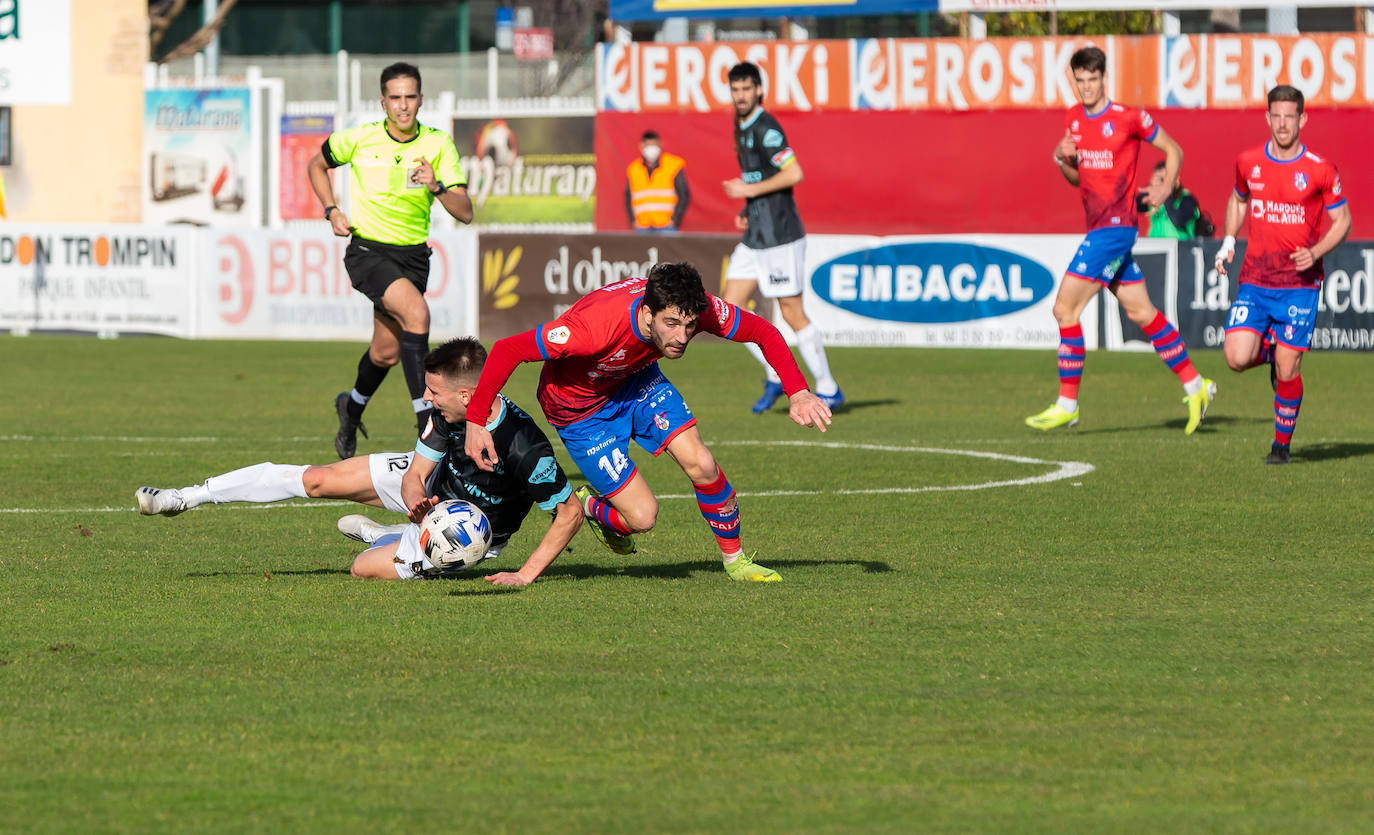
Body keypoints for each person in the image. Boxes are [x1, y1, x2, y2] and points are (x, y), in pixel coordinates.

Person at [462, 261, 834, 583]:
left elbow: (761, 331)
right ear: (646, 312)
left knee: (702, 463)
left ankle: (736, 561)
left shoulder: (690, 307)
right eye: (671, 324)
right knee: (642, 518)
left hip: (637, 382)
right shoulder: (592, 329)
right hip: (581, 413)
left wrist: (798, 391)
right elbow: (508, 349)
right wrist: (476, 421)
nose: (681, 337)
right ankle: (591, 506)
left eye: (689, 326)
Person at [135, 338, 600, 586]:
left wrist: (525, 574)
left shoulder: (525, 447)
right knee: (316, 480)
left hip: (465, 534)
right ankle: (186, 497)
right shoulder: (447, 414)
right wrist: (417, 500)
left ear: (467, 395)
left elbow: (568, 512)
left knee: (362, 568)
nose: (424, 398)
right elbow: (417, 475)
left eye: (433, 392)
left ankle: (385, 537)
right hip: (435, 493)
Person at [1026, 46, 1216, 435]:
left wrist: (1163, 191)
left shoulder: (1128, 117)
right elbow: (1080, 180)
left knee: (1065, 311)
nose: (1086, 88)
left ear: (1103, 78)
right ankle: (1197, 386)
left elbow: (1173, 149)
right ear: (1074, 81)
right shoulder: (1074, 118)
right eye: (1080, 81)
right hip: (1097, 226)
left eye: (1093, 80)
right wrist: (1061, 160)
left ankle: (1067, 404)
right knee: (1142, 313)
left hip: (1116, 228)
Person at [307, 61, 474, 460]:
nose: (403, 106)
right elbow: (316, 164)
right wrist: (331, 210)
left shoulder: (437, 144)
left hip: (414, 258)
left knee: (385, 351)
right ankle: (429, 425)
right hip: (368, 251)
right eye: (395, 98)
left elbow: (465, 211)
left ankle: (351, 408)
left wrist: (435, 185)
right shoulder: (361, 138)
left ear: (420, 100)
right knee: (417, 315)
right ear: (382, 102)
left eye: (410, 97)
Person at [1215, 85, 1351, 465]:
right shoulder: (1248, 161)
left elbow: (1343, 221)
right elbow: (1238, 199)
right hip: (1256, 279)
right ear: (1267, 118)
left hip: (1299, 285)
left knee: (1289, 368)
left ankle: (1281, 447)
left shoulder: (1321, 169)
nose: (1283, 123)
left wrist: (1317, 251)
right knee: (1236, 357)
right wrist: (1228, 242)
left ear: (1303, 119)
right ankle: (1273, 351)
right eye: (1276, 115)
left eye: (1290, 116)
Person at [719, 61, 843, 415]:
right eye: (735, 89)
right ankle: (775, 373)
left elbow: (794, 173)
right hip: (756, 233)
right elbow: (759, 177)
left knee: (791, 312)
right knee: (731, 310)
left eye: (746, 88)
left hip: (781, 236)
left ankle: (829, 387)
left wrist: (750, 189)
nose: (740, 95)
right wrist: (749, 204)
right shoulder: (739, 125)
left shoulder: (767, 128)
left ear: (759, 90)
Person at [624, 130, 689, 232]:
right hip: (642, 226)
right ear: (641, 146)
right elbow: (628, 197)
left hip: (666, 225)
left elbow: (684, 195)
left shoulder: (673, 165)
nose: (651, 149)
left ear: (660, 145)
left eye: (654, 145)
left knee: (668, 248)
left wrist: (675, 219)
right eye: (648, 145)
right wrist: (632, 220)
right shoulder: (633, 169)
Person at [1139, 161, 1213, 240]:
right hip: (1155, 245)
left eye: (1163, 179)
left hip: (1179, 247)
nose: (1160, 183)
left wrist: (1166, 192)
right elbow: (1137, 205)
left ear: (1176, 179)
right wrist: (1150, 187)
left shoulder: (1187, 198)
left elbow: (1178, 221)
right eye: (1157, 179)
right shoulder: (1153, 198)